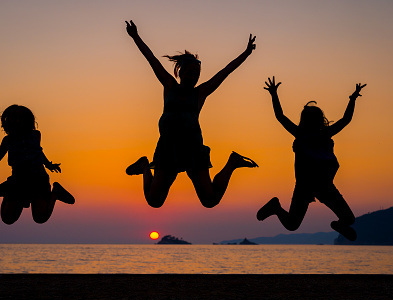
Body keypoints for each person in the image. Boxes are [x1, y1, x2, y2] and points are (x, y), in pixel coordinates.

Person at [124, 20, 258, 208]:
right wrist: (136, 37)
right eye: (191, 72)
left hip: (193, 148)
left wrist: (246, 53)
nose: (194, 76)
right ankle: (145, 166)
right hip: (168, 148)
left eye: (197, 73)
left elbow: (225, 72)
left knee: (210, 200)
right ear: (181, 72)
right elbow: (152, 60)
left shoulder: (200, 93)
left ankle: (232, 163)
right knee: (155, 201)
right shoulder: (170, 86)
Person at [256, 76, 366, 241]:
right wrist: (273, 94)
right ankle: (276, 207)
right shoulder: (301, 135)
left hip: (325, 187)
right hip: (305, 187)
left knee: (349, 219)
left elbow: (346, 120)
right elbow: (281, 117)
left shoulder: (323, 134)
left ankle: (338, 225)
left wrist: (352, 99)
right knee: (292, 224)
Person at [0, 105, 75, 225]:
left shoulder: (35, 135)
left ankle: (56, 192)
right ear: (8, 121)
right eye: (14, 118)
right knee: (7, 219)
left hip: (38, 179)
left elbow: (38, 152)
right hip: (18, 180)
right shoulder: (8, 140)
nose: (18, 121)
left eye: (22, 118)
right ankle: (6, 190)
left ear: (28, 120)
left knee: (40, 218)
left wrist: (49, 165)